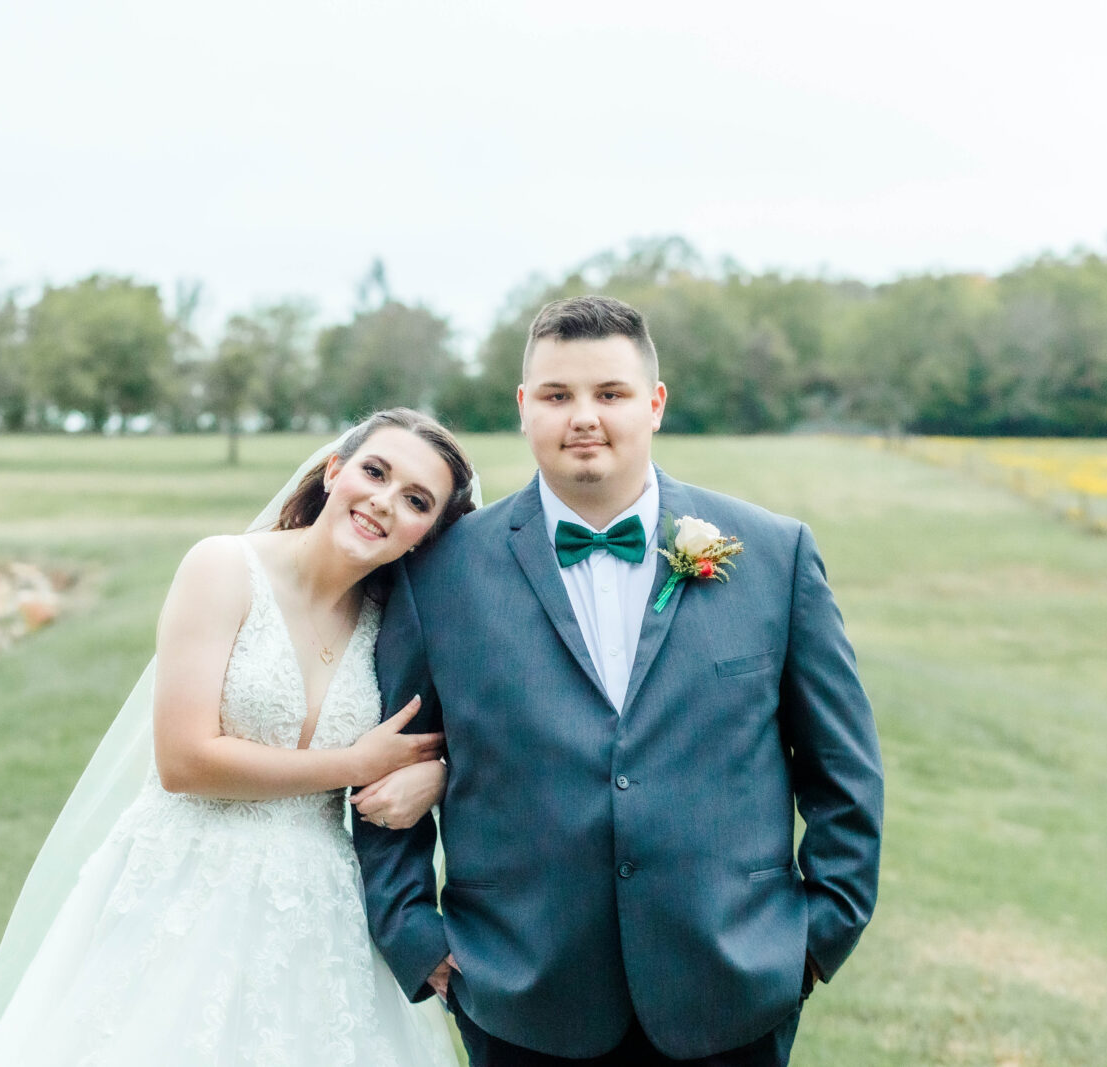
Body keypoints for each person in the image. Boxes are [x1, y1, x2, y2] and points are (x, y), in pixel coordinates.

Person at [354, 296, 884, 1066]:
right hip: (520, 990)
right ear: (523, 407)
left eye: (610, 394)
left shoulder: (775, 556)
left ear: (655, 404)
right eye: (557, 395)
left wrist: (816, 934)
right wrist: (414, 932)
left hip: (733, 983)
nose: (584, 418)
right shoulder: (436, 575)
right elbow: (386, 760)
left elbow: (844, 769)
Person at [0, 408, 478, 1066]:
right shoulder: (223, 567)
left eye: (414, 500)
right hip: (183, 885)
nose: (383, 501)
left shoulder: (394, 628)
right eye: (375, 471)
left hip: (318, 906)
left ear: (424, 535)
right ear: (334, 471)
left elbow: (461, 737)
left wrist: (434, 773)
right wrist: (353, 761)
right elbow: (184, 758)